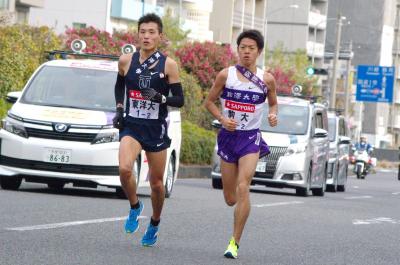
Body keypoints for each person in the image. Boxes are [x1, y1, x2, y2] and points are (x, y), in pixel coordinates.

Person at [204, 29, 278, 259]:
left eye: (251, 48)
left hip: (250, 138)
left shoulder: (267, 79)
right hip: (228, 137)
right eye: (243, 47)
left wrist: (273, 115)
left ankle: (234, 242)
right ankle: (237, 203)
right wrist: (222, 119)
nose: (246, 52)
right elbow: (208, 102)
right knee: (231, 198)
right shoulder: (226, 75)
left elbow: (274, 104)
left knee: (244, 186)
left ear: (259, 52)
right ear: (238, 50)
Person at [113, 13, 184, 247]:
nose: (146, 36)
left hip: (155, 129)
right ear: (138, 34)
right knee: (124, 169)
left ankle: (154, 223)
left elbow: (179, 100)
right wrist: (119, 109)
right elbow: (120, 84)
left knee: (156, 184)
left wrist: (160, 97)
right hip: (132, 125)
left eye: (151, 32)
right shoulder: (126, 60)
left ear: (160, 36)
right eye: (143, 31)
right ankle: (135, 206)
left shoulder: (168, 64)